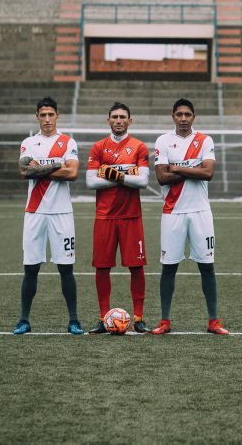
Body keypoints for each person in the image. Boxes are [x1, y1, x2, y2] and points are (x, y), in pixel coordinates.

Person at [151, 99, 228, 335]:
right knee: (169, 267)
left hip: (200, 213)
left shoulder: (205, 140)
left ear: (194, 116)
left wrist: (176, 168)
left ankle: (213, 321)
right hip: (172, 212)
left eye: (188, 114)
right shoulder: (163, 141)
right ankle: (165, 321)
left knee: (207, 266)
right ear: (173, 116)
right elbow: (161, 178)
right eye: (179, 114)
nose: (183, 118)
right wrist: (192, 169)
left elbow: (208, 173)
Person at [13, 97, 83, 335]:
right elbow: (24, 171)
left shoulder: (67, 142)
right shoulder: (29, 142)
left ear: (57, 115)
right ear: (37, 117)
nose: (46, 119)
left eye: (50, 114)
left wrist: (40, 169)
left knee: (66, 268)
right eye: (42, 115)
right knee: (31, 268)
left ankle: (74, 320)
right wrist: (56, 166)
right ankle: (24, 320)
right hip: (35, 213)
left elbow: (72, 173)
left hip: (61, 213)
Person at [86, 102, 152, 334]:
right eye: (114, 116)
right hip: (104, 216)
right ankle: (104, 318)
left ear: (130, 121)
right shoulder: (98, 147)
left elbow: (143, 181)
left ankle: (138, 318)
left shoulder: (139, 147)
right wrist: (125, 175)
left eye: (123, 117)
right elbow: (90, 182)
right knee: (102, 267)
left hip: (131, 216)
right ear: (108, 120)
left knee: (136, 267)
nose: (118, 120)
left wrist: (111, 173)